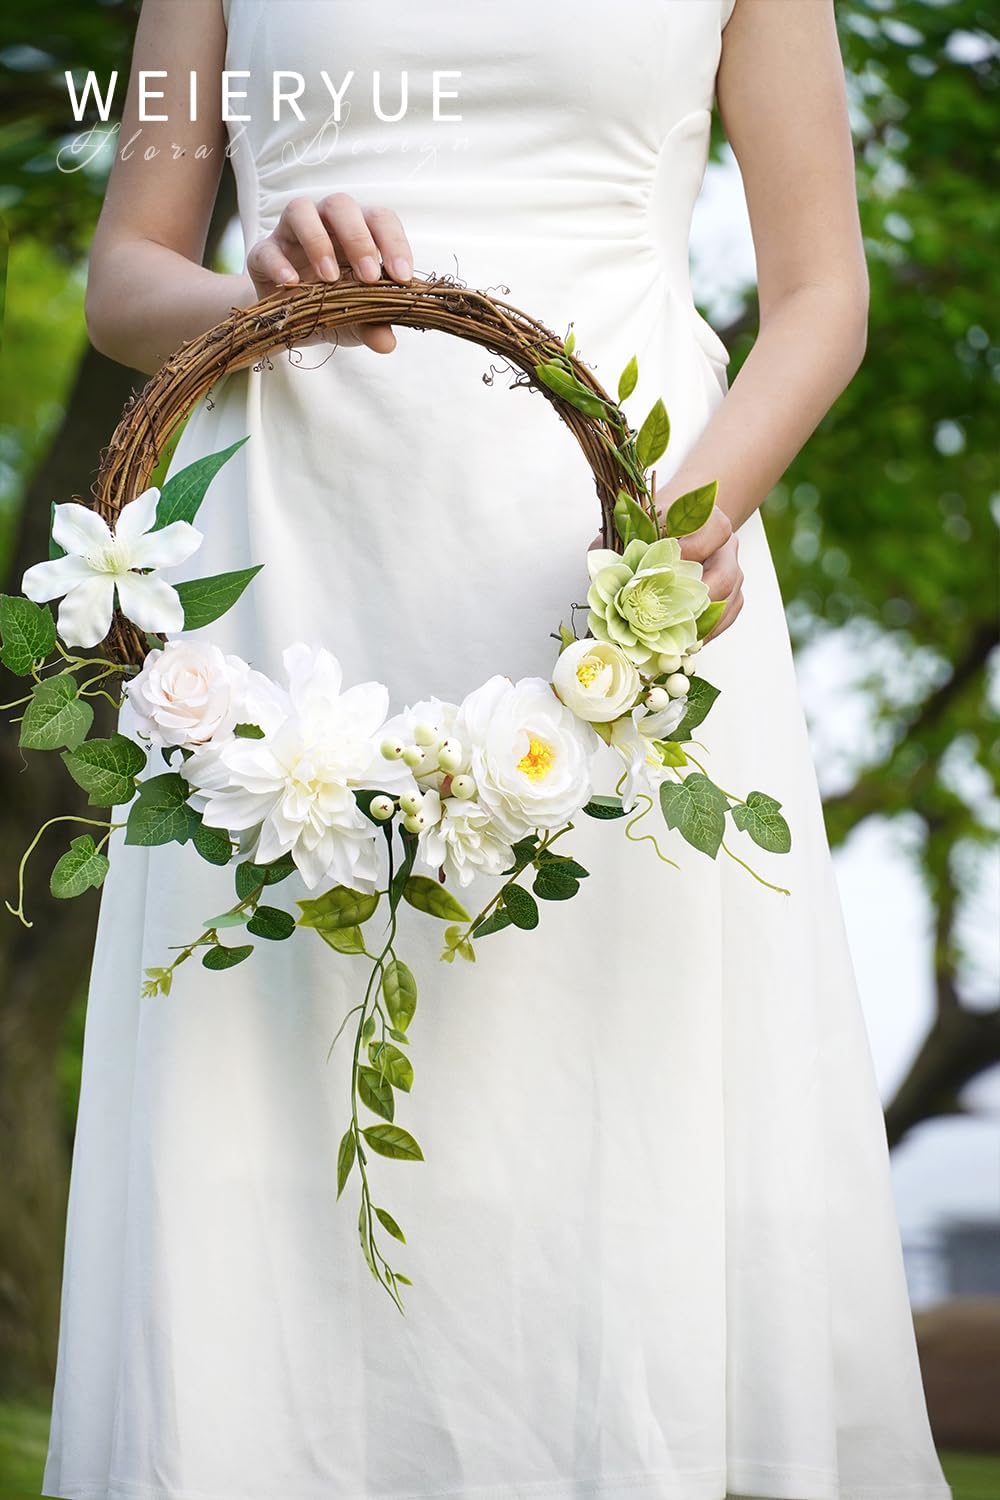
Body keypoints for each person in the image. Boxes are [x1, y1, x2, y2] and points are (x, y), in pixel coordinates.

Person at [43, 2, 953, 1497]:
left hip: (612, 541)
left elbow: (822, 294)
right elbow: (125, 275)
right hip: (292, 555)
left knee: (608, 1079)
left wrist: (683, 539)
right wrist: (252, 290)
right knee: (263, 1064)